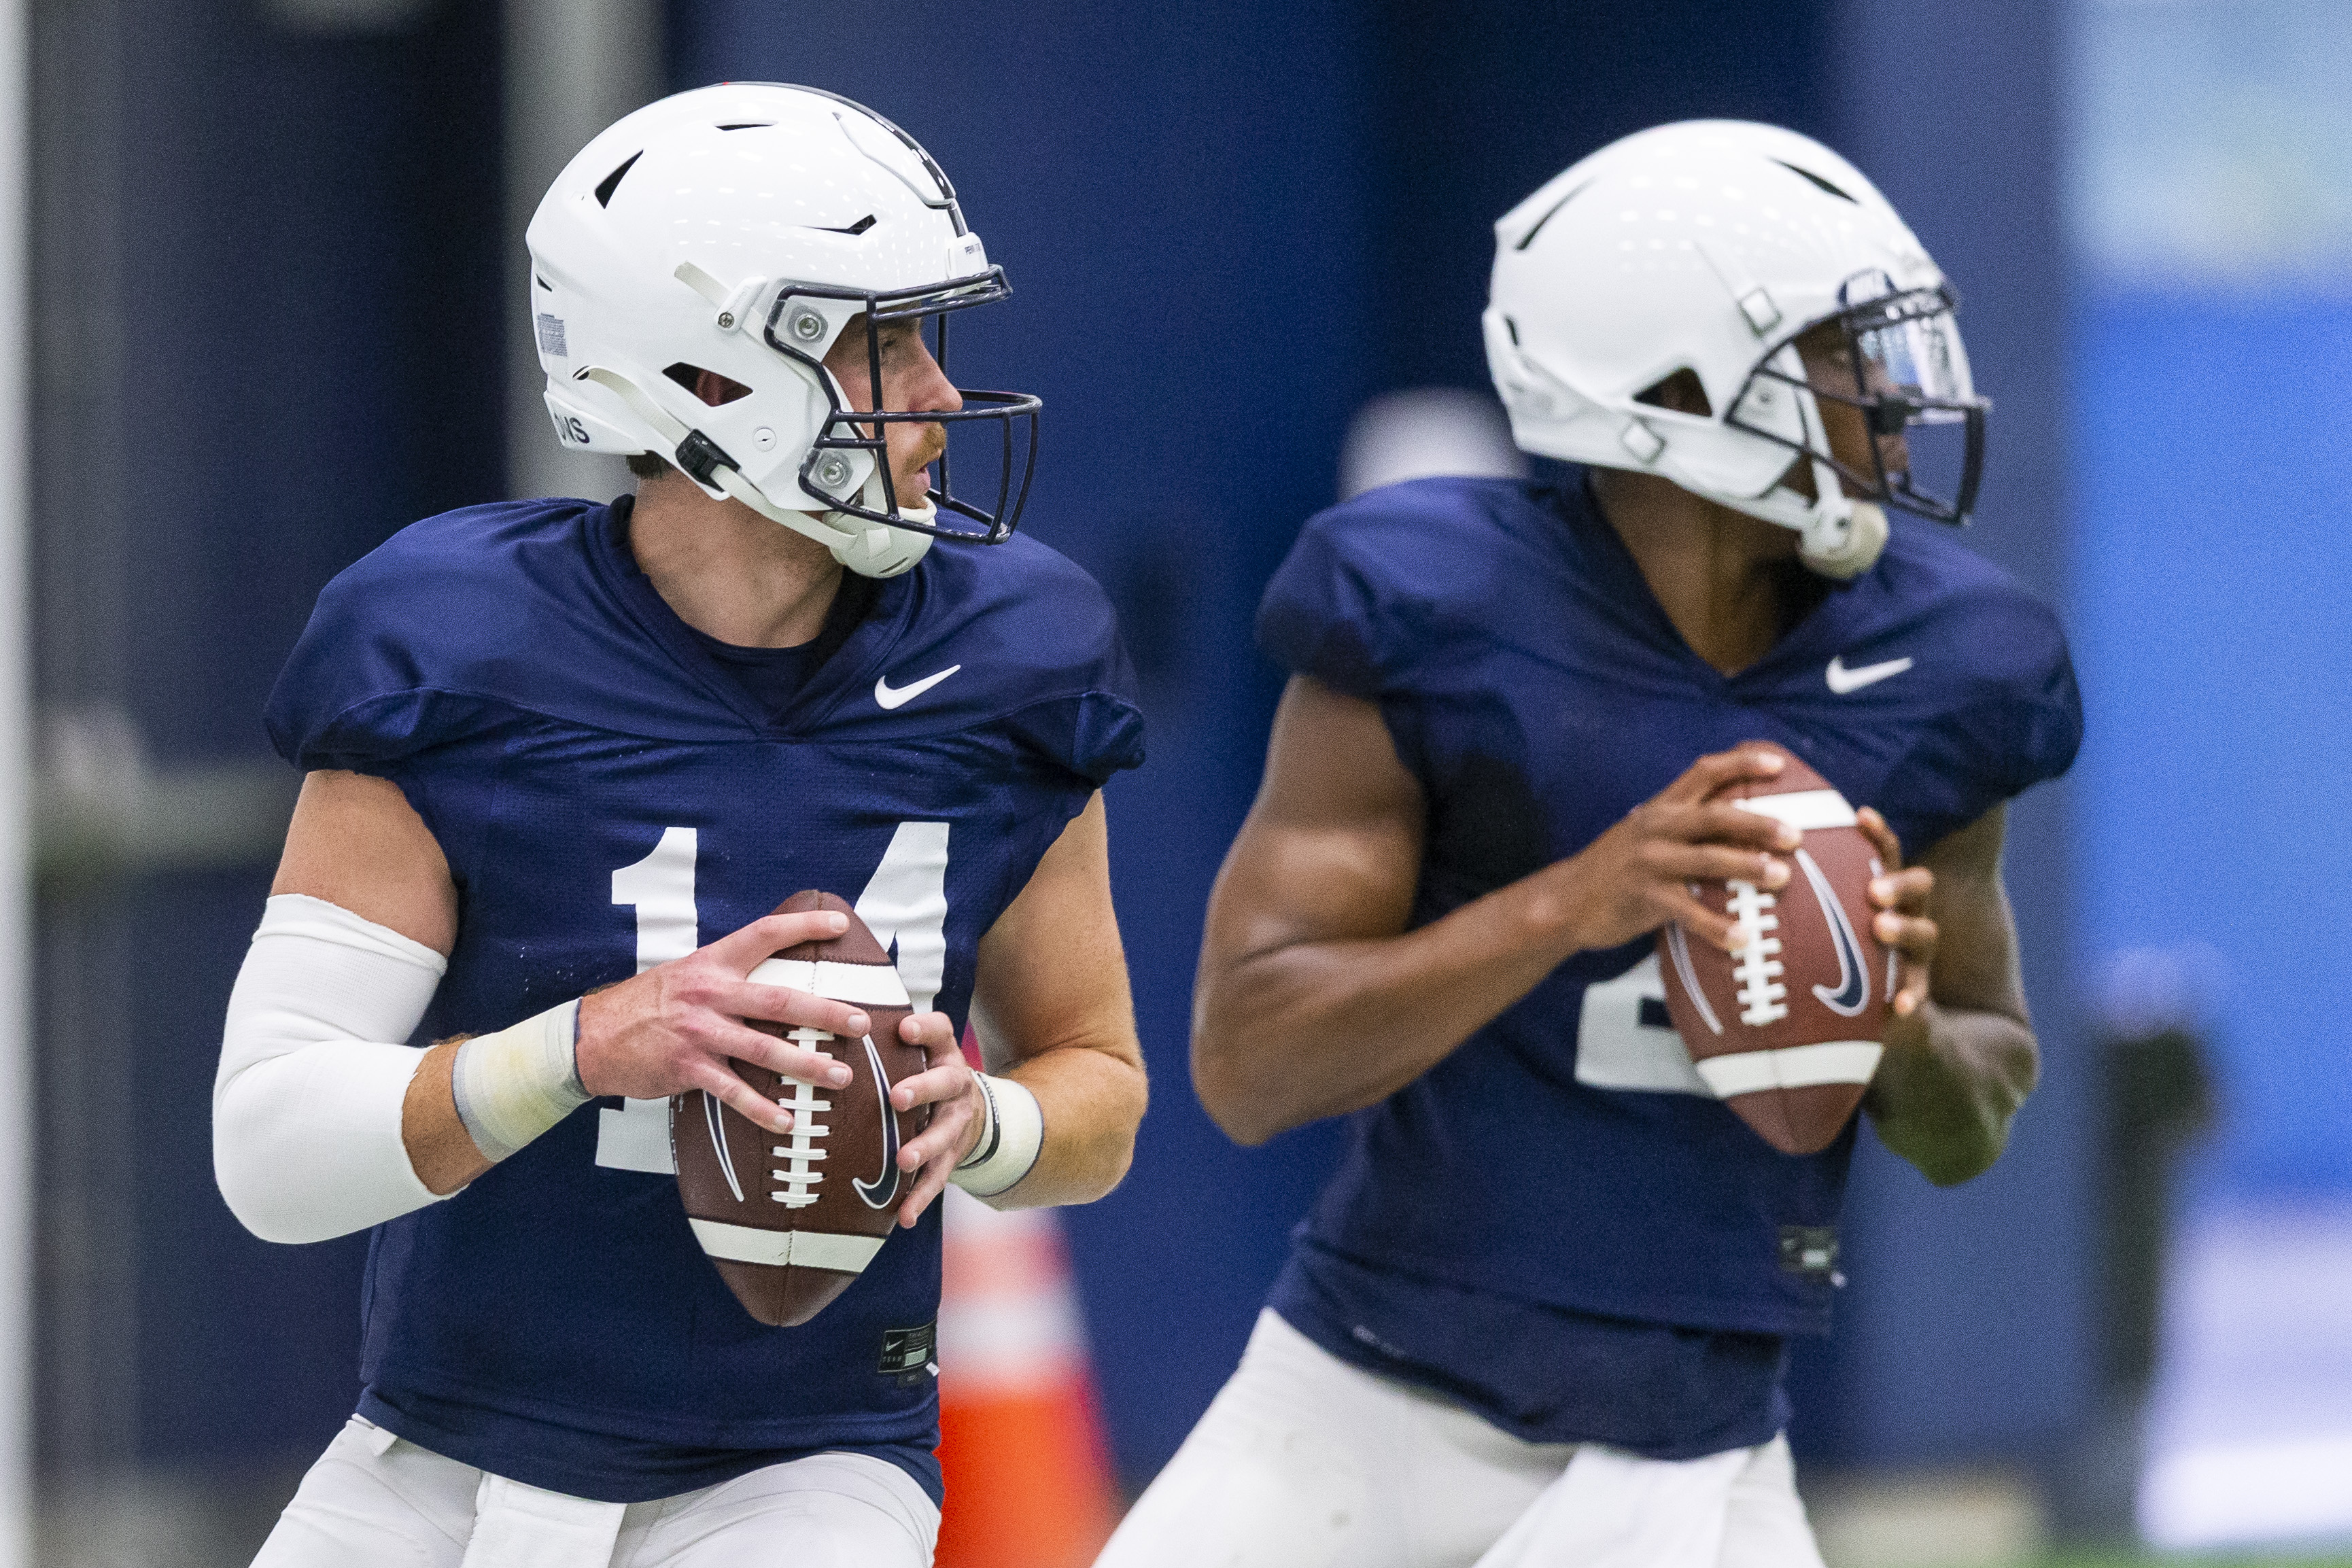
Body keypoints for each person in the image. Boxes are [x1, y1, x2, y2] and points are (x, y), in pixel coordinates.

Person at [1096, 120, 2081, 1568]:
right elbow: (1249, 1062)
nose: (1892, 399)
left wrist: (1902, 1026)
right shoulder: (1429, 604)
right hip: (1364, 1398)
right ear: (1672, 388)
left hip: (1693, 1435)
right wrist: (1571, 900)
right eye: (1838, 353)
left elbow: (1973, 1116)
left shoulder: (1953, 658)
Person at [213, 83, 1148, 1568]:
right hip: (437, 1454)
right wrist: (584, 1046)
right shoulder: (447, 637)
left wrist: (988, 1120)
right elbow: (267, 1151)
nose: (941, 398)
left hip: (808, 1466)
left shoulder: (1021, 651)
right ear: (712, 379)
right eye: (883, 341)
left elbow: (1098, 1084)